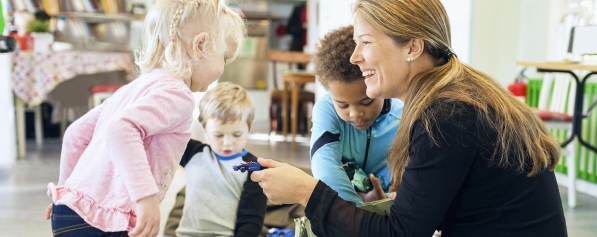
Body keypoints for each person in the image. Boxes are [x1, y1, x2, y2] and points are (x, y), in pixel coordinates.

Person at [251, 0, 568, 236]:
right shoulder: (456, 96)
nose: (354, 56)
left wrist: (305, 191)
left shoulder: (446, 116)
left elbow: (400, 234)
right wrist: (389, 205)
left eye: (366, 42)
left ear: (413, 47)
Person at [44, 0, 246, 236]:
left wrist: (68, 194)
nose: (223, 68)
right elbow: (121, 129)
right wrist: (145, 198)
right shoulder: (178, 94)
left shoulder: (134, 88)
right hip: (107, 220)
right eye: (224, 57)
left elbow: (75, 135)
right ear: (200, 45)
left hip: (68, 213)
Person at [310, 25, 402, 206]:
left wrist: (385, 203)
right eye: (342, 105)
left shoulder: (402, 117)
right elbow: (325, 169)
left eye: (366, 102)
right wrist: (357, 213)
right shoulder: (326, 108)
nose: (355, 114)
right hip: (346, 211)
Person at [170, 82, 266, 237]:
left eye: (237, 135)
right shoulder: (193, 153)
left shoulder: (254, 168)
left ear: (250, 126)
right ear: (203, 126)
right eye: (218, 135)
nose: (227, 142)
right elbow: (167, 134)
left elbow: (251, 222)